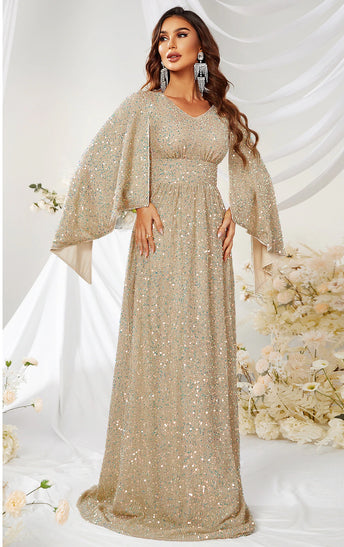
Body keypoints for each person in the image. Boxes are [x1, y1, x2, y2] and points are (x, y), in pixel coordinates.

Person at [50, 6, 286, 542]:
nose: (170, 44)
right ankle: (149, 485)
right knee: (159, 349)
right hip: (159, 239)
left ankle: (205, 487)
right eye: (162, 37)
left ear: (201, 48)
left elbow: (252, 172)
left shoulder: (220, 112)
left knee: (202, 353)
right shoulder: (145, 106)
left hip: (208, 243)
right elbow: (101, 160)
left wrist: (236, 211)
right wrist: (138, 202)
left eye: (182, 35)